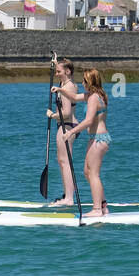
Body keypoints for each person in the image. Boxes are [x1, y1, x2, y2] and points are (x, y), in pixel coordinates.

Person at [64, 68, 111, 217]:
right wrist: (59, 89)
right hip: (96, 139)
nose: (82, 83)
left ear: (90, 81)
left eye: (84, 80)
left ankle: (97, 209)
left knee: (93, 174)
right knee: (87, 172)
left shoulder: (93, 98)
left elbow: (88, 121)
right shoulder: (96, 95)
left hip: (99, 139)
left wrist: (71, 131)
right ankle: (103, 206)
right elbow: (74, 97)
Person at [46, 57, 82, 206]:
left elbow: (66, 112)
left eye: (58, 71)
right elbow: (63, 67)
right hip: (64, 125)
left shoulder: (68, 87)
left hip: (67, 125)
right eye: (55, 70)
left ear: (67, 71)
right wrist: (55, 62)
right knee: (62, 161)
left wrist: (52, 115)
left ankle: (69, 199)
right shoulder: (64, 83)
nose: (56, 73)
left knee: (65, 162)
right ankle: (67, 195)